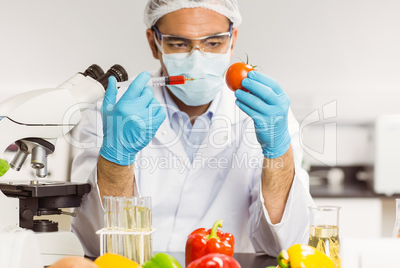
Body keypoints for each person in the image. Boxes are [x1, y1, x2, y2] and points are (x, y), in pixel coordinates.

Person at [70, 0, 315, 258]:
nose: (197, 59)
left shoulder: (266, 114)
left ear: (232, 40)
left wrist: (278, 153)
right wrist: (116, 160)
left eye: (213, 43)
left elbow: (284, 245)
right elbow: (94, 244)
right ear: (154, 43)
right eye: (179, 43)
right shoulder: (110, 112)